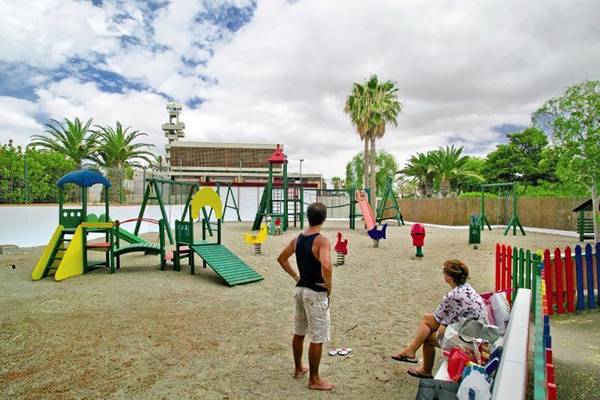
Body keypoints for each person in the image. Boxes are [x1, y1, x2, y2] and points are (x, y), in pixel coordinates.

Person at [391, 259, 486, 379]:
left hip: (467, 340)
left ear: (449, 277)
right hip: (475, 332)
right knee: (427, 323)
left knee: (427, 332)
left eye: (444, 272)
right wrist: (444, 323)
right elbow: (451, 315)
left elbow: (438, 316)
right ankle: (411, 352)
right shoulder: (468, 288)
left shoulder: (453, 295)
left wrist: (444, 323)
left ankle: (422, 366)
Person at [277, 202, 334, 391]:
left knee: (299, 331)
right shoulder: (322, 241)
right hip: (315, 293)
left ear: (308, 216)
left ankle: (298, 368)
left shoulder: (298, 239)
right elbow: (326, 266)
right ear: (324, 219)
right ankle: (314, 379)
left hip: (300, 290)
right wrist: (328, 286)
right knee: (317, 336)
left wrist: (296, 276)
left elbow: (281, 258)